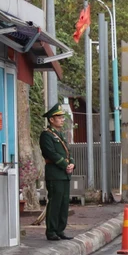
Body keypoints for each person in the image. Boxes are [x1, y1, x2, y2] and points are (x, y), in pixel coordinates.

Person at [40, 103, 74, 241]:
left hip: (64, 174)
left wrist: (72, 163)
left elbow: (68, 151)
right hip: (55, 173)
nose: (62, 119)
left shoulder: (60, 135)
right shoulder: (46, 135)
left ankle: (60, 229)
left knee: (64, 203)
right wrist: (65, 164)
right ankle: (51, 230)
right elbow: (51, 153)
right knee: (55, 202)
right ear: (51, 120)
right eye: (58, 117)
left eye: (62, 117)